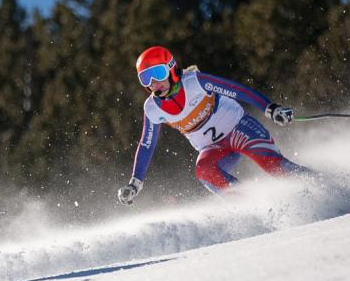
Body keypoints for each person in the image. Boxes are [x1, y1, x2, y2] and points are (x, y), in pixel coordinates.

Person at [118, 45, 308, 205]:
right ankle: (252, 207)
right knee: (204, 171)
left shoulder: (195, 82)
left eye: (157, 73)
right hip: (214, 148)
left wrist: (270, 108)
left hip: (238, 128)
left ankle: (324, 186)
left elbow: (238, 90)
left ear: (171, 68)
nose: (153, 83)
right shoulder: (152, 109)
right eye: (145, 78)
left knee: (274, 166)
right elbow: (146, 145)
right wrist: (135, 183)